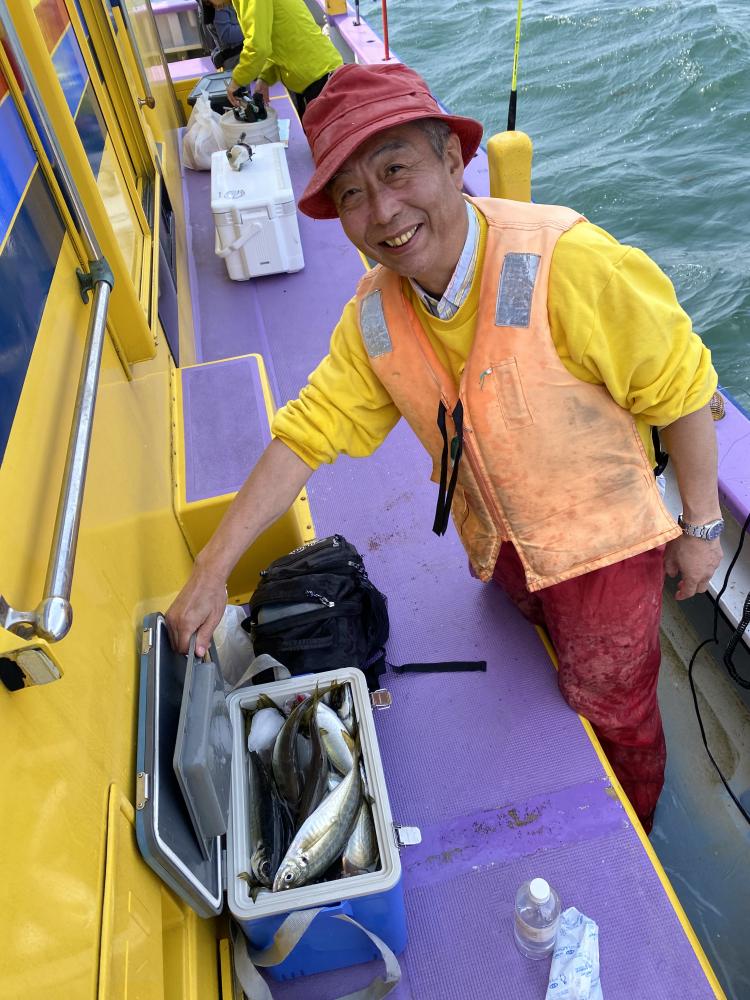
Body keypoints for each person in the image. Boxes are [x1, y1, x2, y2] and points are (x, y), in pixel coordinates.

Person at [166, 63, 723, 832]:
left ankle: (633, 820)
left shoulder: (571, 262)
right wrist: (210, 569)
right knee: (530, 647)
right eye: (352, 194)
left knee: (614, 705)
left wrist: (701, 528)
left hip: (604, 553)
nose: (382, 212)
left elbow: (684, 389)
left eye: (396, 170)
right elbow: (305, 433)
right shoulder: (373, 314)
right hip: (502, 541)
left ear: (453, 161)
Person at [225, 0, 343, 118]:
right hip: (310, 75)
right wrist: (265, 77)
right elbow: (279, 38)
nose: (217, 8)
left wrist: (237, 81)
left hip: (318, 76)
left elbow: (258, 47)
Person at [201, 0, 244, 72]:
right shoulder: (219, 4)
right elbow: (226, 34)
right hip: (236, 58)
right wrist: (252, 28)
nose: (218, 7)